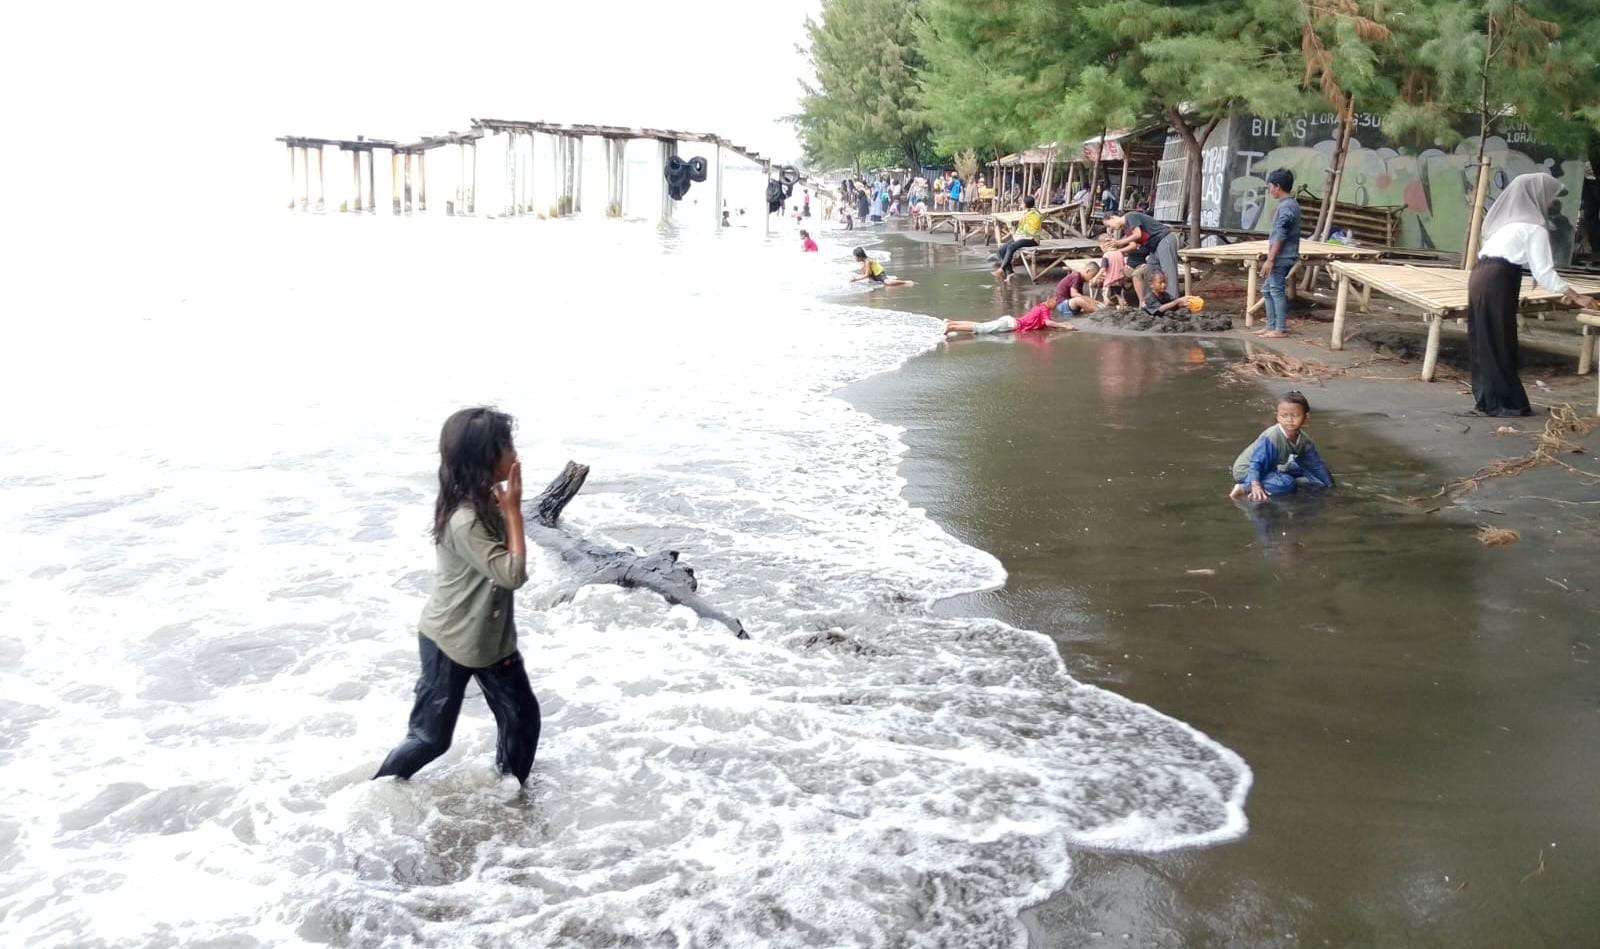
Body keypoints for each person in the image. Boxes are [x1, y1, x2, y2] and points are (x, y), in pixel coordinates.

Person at [374, 407, 541, 787]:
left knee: (522, 719)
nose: (515, 454)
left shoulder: (484, 503)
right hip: (450, 641)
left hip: (490, 642)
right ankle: (373, 796)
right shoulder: (464, 519)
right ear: (484, 458)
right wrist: (514, 511)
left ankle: (511, 797)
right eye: (507, 446)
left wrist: (507, 509)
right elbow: (512, 574)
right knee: (431, 739)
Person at [1467, 172, 1598, 416]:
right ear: (1536, 196)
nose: (1551, 203)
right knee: (1500, 340)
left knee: (1484, 340)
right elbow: (1545, 272)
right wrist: (1578, 297)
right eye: (1550, 197)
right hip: (1497, 280)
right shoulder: (1533, 228)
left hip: (1480, 277)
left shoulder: (1508, 225)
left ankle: (1488, 400)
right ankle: (1506, 403)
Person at [1228, 391, 1335, 500]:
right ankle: (1244, 488)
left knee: (1302, 470)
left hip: (1270, 467)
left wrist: (1330, 487)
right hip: (1247, 470)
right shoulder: (1272, 437)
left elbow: (1316, 466)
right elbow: (1256, 463)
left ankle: (1271, 480)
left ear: (1306, 417)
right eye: (1284, 416)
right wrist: (1255, 484)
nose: (1289, 420)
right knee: (1287, 483)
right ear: (1278, 417)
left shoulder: (1304, 440)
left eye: (1295, 415)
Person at [1257, 169, 1301, 339]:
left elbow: (1280, 236)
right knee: (1267, 290)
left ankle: (1280, 328)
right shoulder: (1288, 205)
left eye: (1270, 186)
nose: (1269, 190)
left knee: (1276, 290)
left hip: (1282, 257)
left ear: (1277, 186)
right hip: (1280, 255)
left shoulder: (1287, 207)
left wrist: (1270, 259)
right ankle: (1270, 325)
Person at [1103, 210, 1180, 306]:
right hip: (1154, 247)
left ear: (1112, 218)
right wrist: (1116, 249)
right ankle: (1149, 303)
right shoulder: (1127, 228)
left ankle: (1174, 303)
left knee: (1168, 272)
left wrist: (1118, 242)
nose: (1111, 228)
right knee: (1150, 272)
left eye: (1109, 225)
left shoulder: (1130, 216)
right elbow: (1133, 245)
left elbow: (1138, 234)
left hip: (1164, 239)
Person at [945, 293, 1079, 336]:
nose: (1057, 304)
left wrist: (1061, 327)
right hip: (1011, 324)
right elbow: (1047, 323)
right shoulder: (1044, 309)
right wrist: (1064, 326)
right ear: (1049, 300)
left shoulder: (1041, 307)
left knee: (981, 325)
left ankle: (952, 322)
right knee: (981, 328)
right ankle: (952, 327)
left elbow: (1045, 324)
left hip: (1010, 321)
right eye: (1056, 301)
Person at [992, 196, 1044, 282]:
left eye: (1022, 203)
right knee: (1001, 250)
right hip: (1022, 237)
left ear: (1026, 204)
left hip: (1032, 239)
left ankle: (1001, 269)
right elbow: (1022, 227)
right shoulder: (1027, 212)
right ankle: (1010, 273)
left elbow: (1032, 230)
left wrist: (1020, 231)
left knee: (1011, 247)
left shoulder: (1036, 214)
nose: (1021, 204)